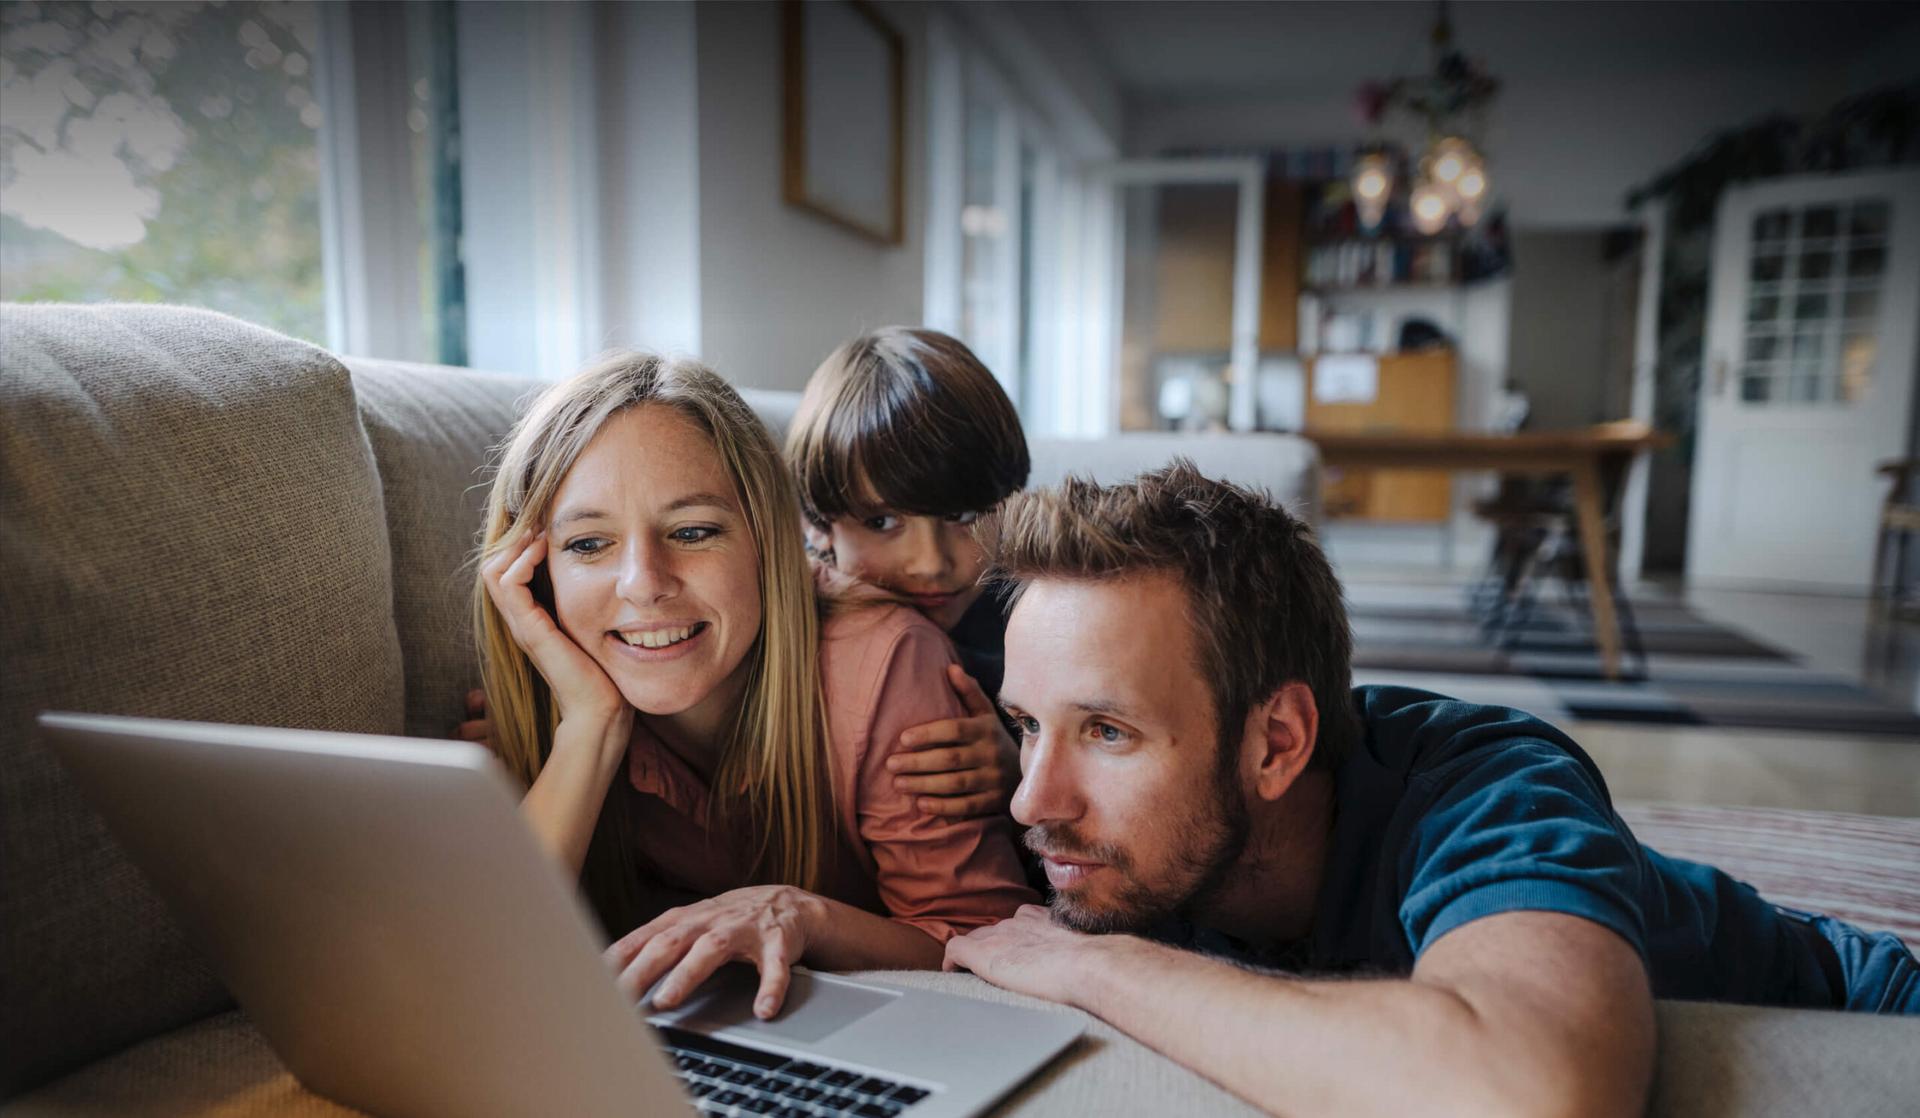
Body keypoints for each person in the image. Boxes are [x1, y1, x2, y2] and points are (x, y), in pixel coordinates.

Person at [944, 461, 1919, 1117]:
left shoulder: (1485, 784)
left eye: (1106, 731)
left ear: (1277, 743)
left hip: (1855, 1022)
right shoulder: (1120, 832)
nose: (1033, 800)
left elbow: (1530, 1088)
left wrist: (1090, 966)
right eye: (1026, 725)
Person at [474, 353, 1034, 1019]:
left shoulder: (891, 660)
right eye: (588, 545)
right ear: (537, 573)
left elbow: (990, 950)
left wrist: (805, 917)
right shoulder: (557, 682)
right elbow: (477, 975)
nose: (643, 584)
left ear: (771, 540)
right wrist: (589, 729)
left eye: (692, 532)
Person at [786, 327, 1029, 821]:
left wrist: (1023, 774)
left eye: (962, 516)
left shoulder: (1037, 623)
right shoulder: (791, 636)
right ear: (817, 525)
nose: (930, 562)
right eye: (881, 522)